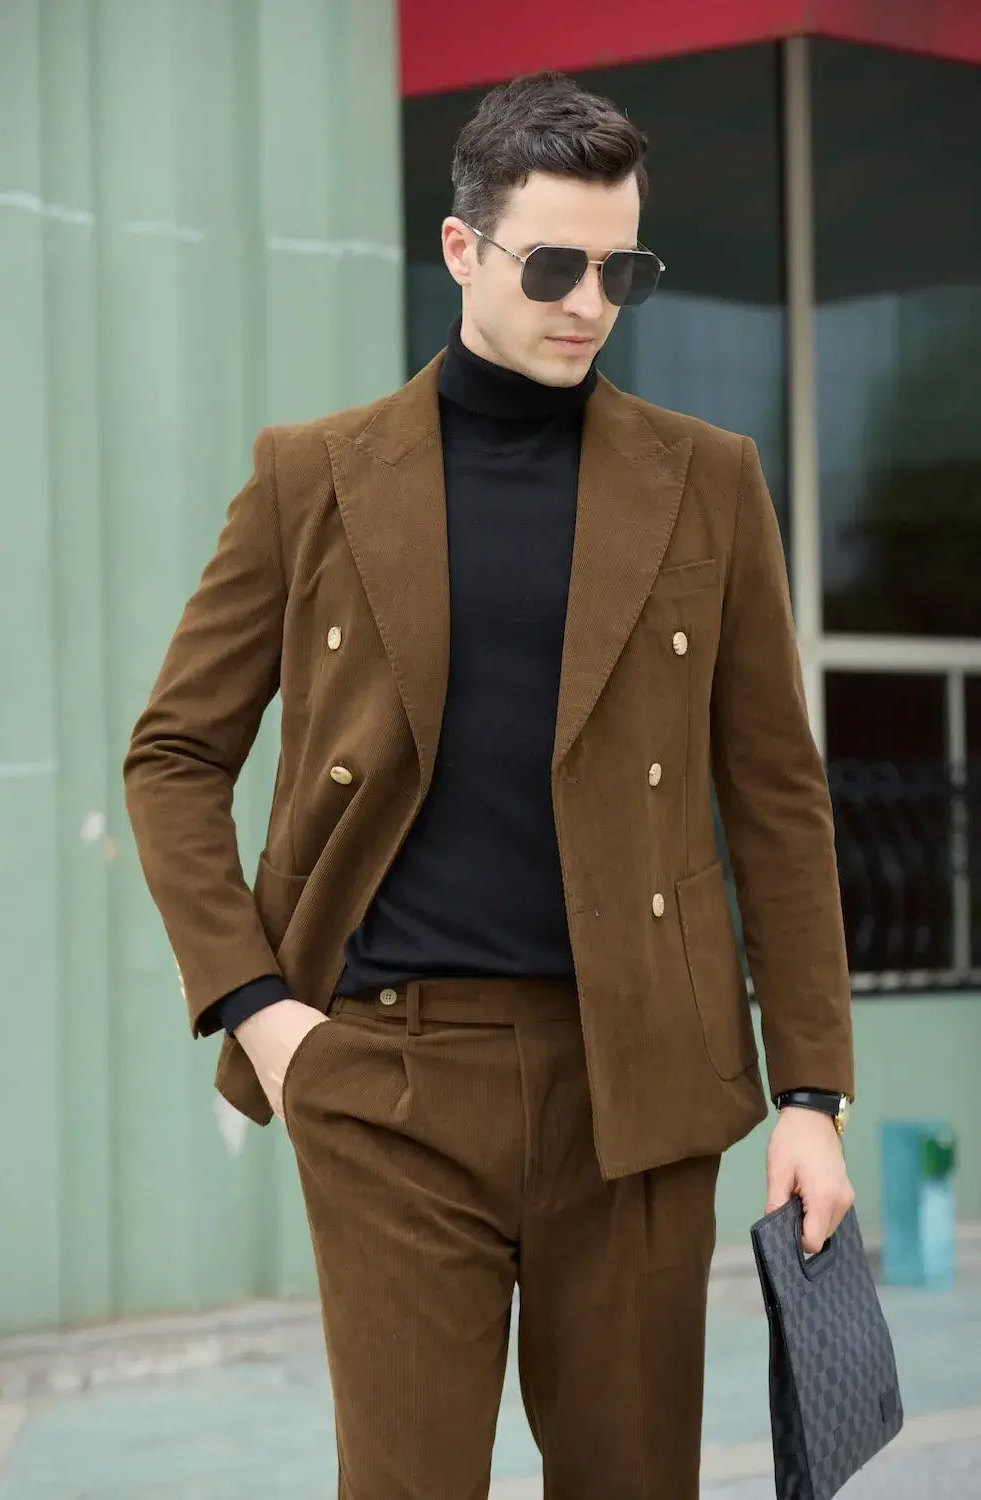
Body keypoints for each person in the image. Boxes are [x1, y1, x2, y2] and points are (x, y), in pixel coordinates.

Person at [124, 69, 855, 1500]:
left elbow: (776, 794)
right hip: (389, 1079)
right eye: (554, 265)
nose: (589, 302)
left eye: (622, 269)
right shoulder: (312, 478)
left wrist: (812, 1092)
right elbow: (172, 757)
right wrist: (264, 1015)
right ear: (463, 249)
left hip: (639, 1085)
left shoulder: (709, 481)